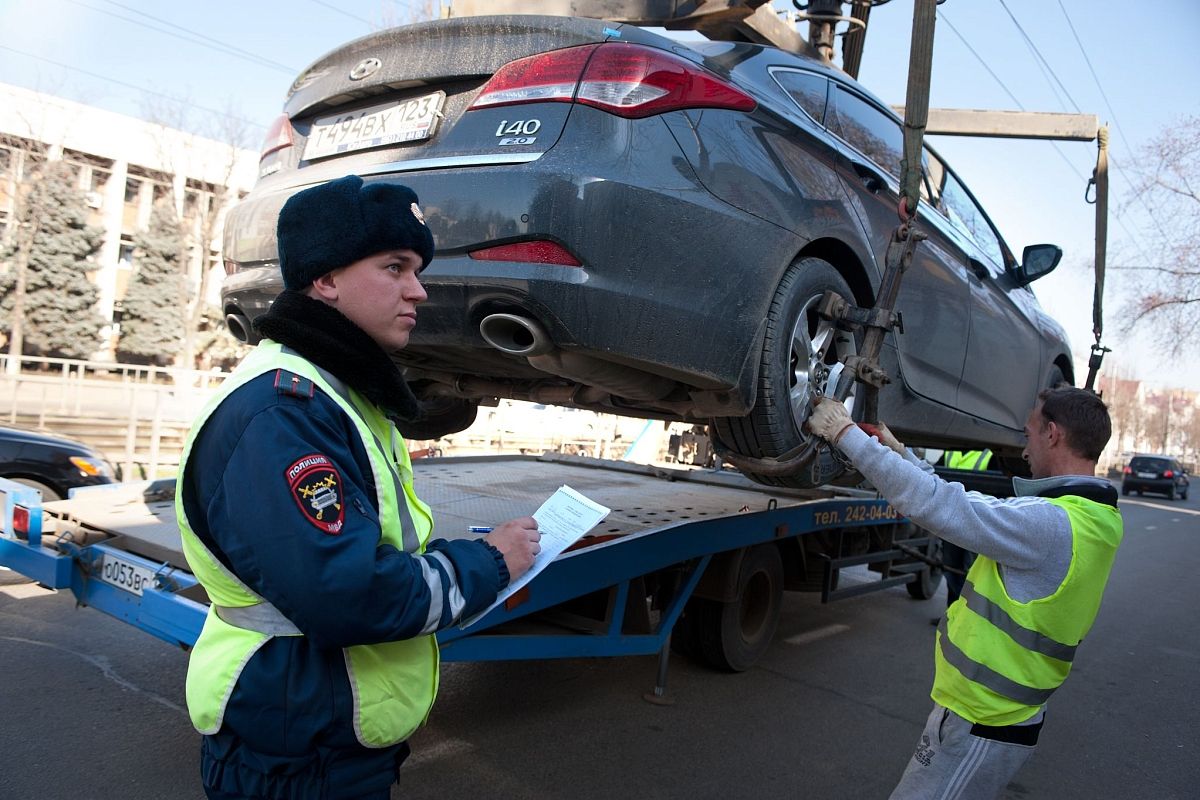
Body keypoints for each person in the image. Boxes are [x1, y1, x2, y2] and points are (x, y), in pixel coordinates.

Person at [175, 175, 542, 800]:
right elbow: (348, 594)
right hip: (298, 749)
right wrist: (487, 563)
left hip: (319, 730)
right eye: (395, 267)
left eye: (417, 269)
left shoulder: (331, 395)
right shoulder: (283, 414)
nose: (418, 290)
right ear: (325, 279)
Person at [808, 387, 1122, 799]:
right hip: (990, 718)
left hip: (982, 724)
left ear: (1052, 434)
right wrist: (903, 456)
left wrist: (844, 432)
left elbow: (944, 509)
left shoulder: (1052, 524)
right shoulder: (1091, 516)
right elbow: (969, 505)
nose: (1024, 450)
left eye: (1027, 434)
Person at [939, 449, 993, 609]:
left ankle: (965, 614)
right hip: (952, 522)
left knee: (968, 571)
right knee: (951, 568)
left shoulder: (989, 455)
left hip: (974, 525)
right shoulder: (950, 452)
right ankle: (951, 614)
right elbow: (936, 474)